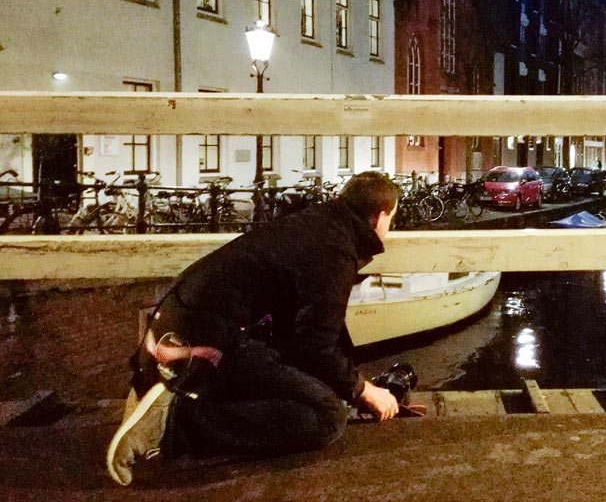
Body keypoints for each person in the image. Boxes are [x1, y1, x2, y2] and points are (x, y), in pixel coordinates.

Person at [106, 171, 401, 486]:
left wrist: (346, 383)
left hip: (181, 325)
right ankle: (171, 424)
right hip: (207, 343)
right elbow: (316, 348)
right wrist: (361, 389)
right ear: (379, 216)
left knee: (320, 391)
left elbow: (304, 332)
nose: (390, 228)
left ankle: (160, 391)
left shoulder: (316, 224)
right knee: (327, 416)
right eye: (391, 220)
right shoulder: (336, 254)